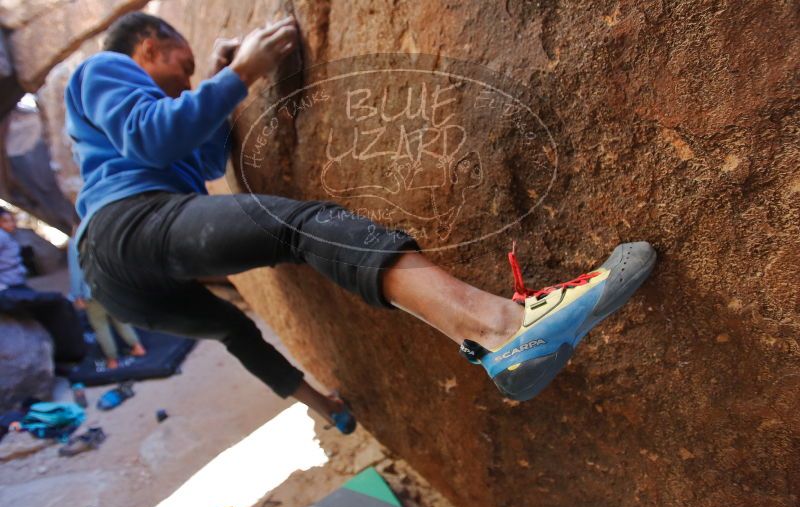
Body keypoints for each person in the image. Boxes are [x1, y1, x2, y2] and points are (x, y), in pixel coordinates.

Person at [65, 13, 655, 433]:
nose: (185, 81)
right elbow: (155, 132)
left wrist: (226, 87)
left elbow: (194, 160)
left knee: (234, 332)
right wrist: (241, 72)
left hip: (125, 283)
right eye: (181, 68)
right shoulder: (103, 70)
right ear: (149, 44)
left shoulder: (131, 114)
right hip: (124, 226)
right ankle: (501, 325)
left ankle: (329, 409)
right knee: (306, 226)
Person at [0, 208, 86, 363]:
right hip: (8, 286)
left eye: (12, 219)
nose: (12, 224)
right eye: (6, 220)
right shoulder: (1, 237)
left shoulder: (7, 237)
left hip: (14, 282)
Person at [68, 238, 146, 369]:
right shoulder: (102, 231)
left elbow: (76, 271)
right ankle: (137, 346)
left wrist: (77, 295)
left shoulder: (75, 242)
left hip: (92, 291)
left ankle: (112, 359)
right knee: (120, 319)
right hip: (111, 287)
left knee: (101, 326)